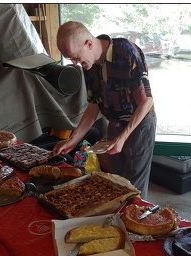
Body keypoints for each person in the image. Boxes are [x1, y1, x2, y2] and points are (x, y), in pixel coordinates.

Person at [53, 21, 157, 200]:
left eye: (76, 58)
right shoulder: (89, 63)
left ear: (89, 44)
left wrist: (123, 137)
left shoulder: (125, 52)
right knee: (115, 181)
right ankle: (114, 224)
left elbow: (146, 101)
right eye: (71, 59)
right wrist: (72, 140)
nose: (76, 64)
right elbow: (93, 107)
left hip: (139, 124)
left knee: (134, 189)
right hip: (115, 123)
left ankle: (134, 223)